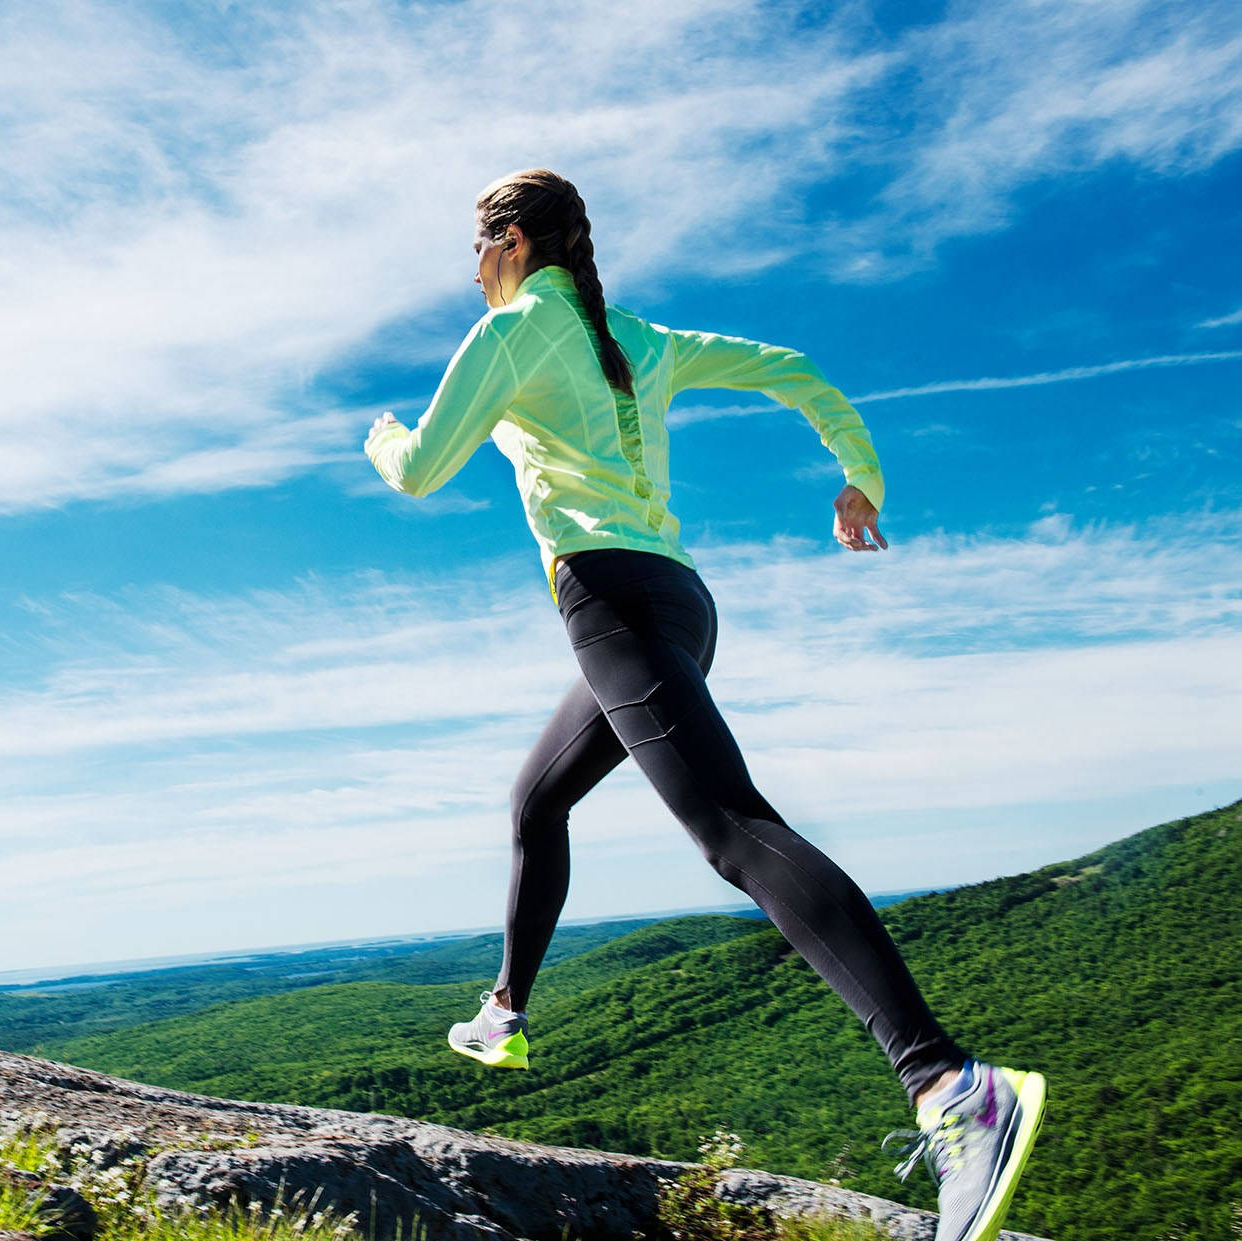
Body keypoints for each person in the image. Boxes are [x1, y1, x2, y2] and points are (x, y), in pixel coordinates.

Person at [363, 168, 1045, 1241]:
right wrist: (860, 475)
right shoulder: (647, 337)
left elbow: (418, 473)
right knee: (537, 800)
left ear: (509, 240)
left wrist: (385, 433)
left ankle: (951, 1083)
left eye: (477, 243)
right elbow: (796, 369)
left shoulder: (503, 335)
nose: (472, 264)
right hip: (679, 602)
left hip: (610, 600)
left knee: (734, 829)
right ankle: (504, 1012)